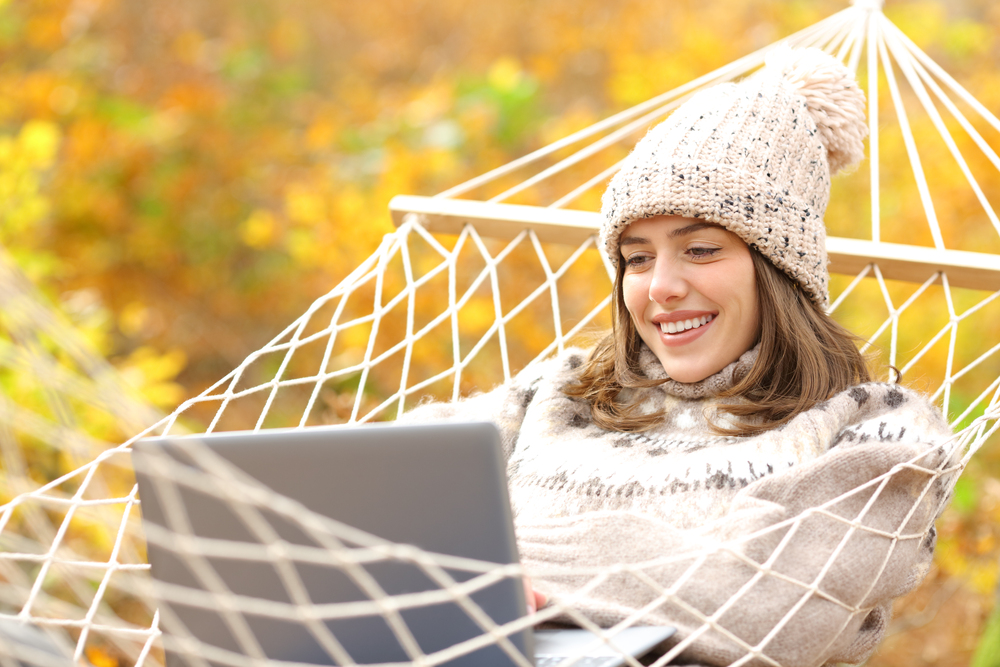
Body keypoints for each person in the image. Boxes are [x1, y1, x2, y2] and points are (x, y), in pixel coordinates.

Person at [400, 46, 956, 667]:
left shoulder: (875, 433)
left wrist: (516, 585)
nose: (659, 286)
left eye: (700, 249)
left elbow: (767, 609)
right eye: (637, 258)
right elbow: (368, 501)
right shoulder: (559, 394)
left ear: (776, 270)